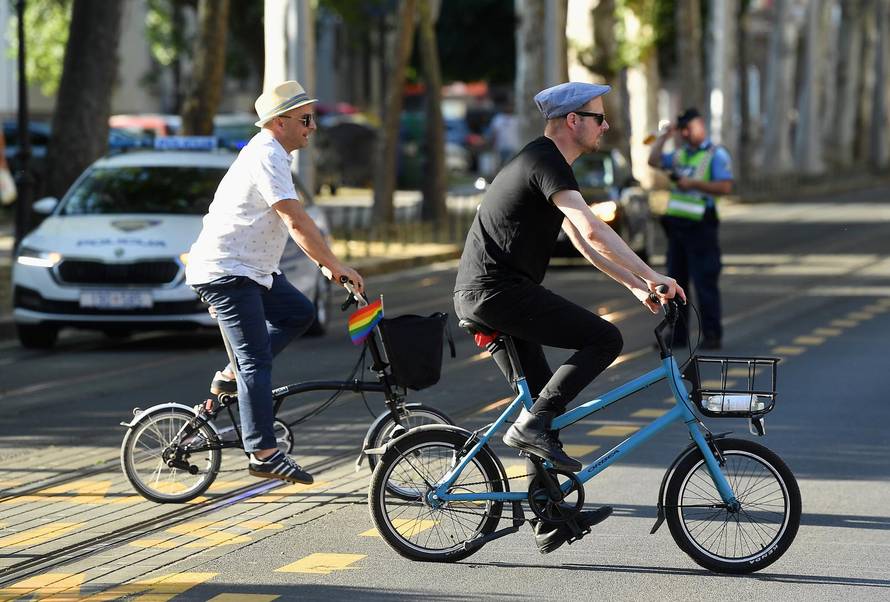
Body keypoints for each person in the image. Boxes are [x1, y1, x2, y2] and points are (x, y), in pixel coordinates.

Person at [453, 82, 685, 553]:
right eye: (599, 117)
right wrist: (651, 271)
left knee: (541, 404)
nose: (606, 125)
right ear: (573, 121)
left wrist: (636, 286)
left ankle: (548, 515)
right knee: (604, 339)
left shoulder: (548, 165)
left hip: (496, 294)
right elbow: (592, 227)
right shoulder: (544, 161)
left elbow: (582, 242)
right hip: (496, 294)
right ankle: (535, 431)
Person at [186, 80, 364, 485]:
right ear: (279, 122)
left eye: (312, 117)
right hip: (228, 271)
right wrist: (335, 264)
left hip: (254, 269)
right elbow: (294, 219)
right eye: (305, 118)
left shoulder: (277, 155)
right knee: (255, 361)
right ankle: (263, 451)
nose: (312, 126)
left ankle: (232, 377)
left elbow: (295, 221)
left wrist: (324, 264)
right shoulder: (266, 153)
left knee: (298, 313)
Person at [647, 107, 733, 350]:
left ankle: (712, 335)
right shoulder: (680, 154)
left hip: (701, 227)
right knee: (674, 283)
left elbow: (725, 187)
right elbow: (653, 160)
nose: (685, 133)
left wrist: (693, 183)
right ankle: (677, 335)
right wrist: (664, 135)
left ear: (701, 125)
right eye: (681, 129)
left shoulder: (715, 155)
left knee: (705, 281)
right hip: (677, 228)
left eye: (689, 128)